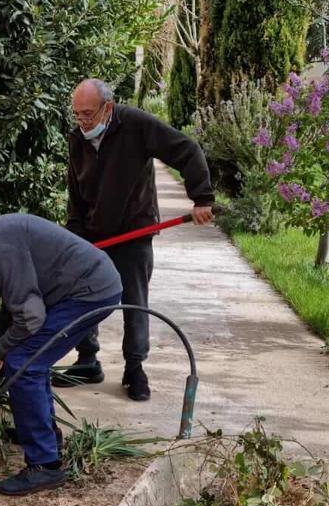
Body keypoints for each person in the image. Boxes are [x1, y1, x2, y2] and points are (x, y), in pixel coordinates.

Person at [0, 214, 122, 496]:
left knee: (22, 364)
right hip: (80, 287)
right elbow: (15, 305)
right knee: (30, 362)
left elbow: (29, 316)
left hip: (88, 292)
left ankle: (44, 465)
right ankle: (45, 439)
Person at [56, 78, 215, 401]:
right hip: (93, 233)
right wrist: (75, 235)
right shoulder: (77, 138)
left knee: (134, 302)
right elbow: (76, 192)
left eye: (88, 114)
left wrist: (202, 197)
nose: (83, 122)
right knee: (83, 299)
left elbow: (186, 150)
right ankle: (87, 362)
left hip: (134, 231)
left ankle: (134, 369)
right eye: (77, 115)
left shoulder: (136, 125)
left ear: (108, 108)